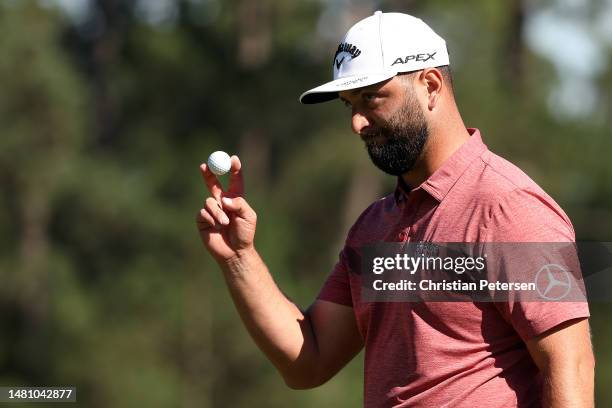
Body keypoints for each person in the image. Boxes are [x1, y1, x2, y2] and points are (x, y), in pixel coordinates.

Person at [196, 11, 595, 408]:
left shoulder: (507, 206)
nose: (356, 122)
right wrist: (239, 258)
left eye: (371, 98)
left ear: (431, 85)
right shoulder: (374, 226)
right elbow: (308, 361)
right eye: (349, 104)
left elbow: (569, 364)